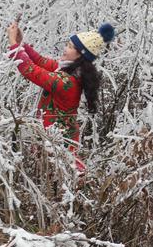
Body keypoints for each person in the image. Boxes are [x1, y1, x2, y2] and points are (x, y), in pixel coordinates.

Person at [6, 20, 115, 172]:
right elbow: (39, 61)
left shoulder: (66, 82)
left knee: (58, 180)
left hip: (58, 142)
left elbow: (31, 70)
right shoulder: (67, 70)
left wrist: (13, 44)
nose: (65, 49)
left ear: (80, 56)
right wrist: (20, 43)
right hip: (53, 139)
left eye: (70, 47)